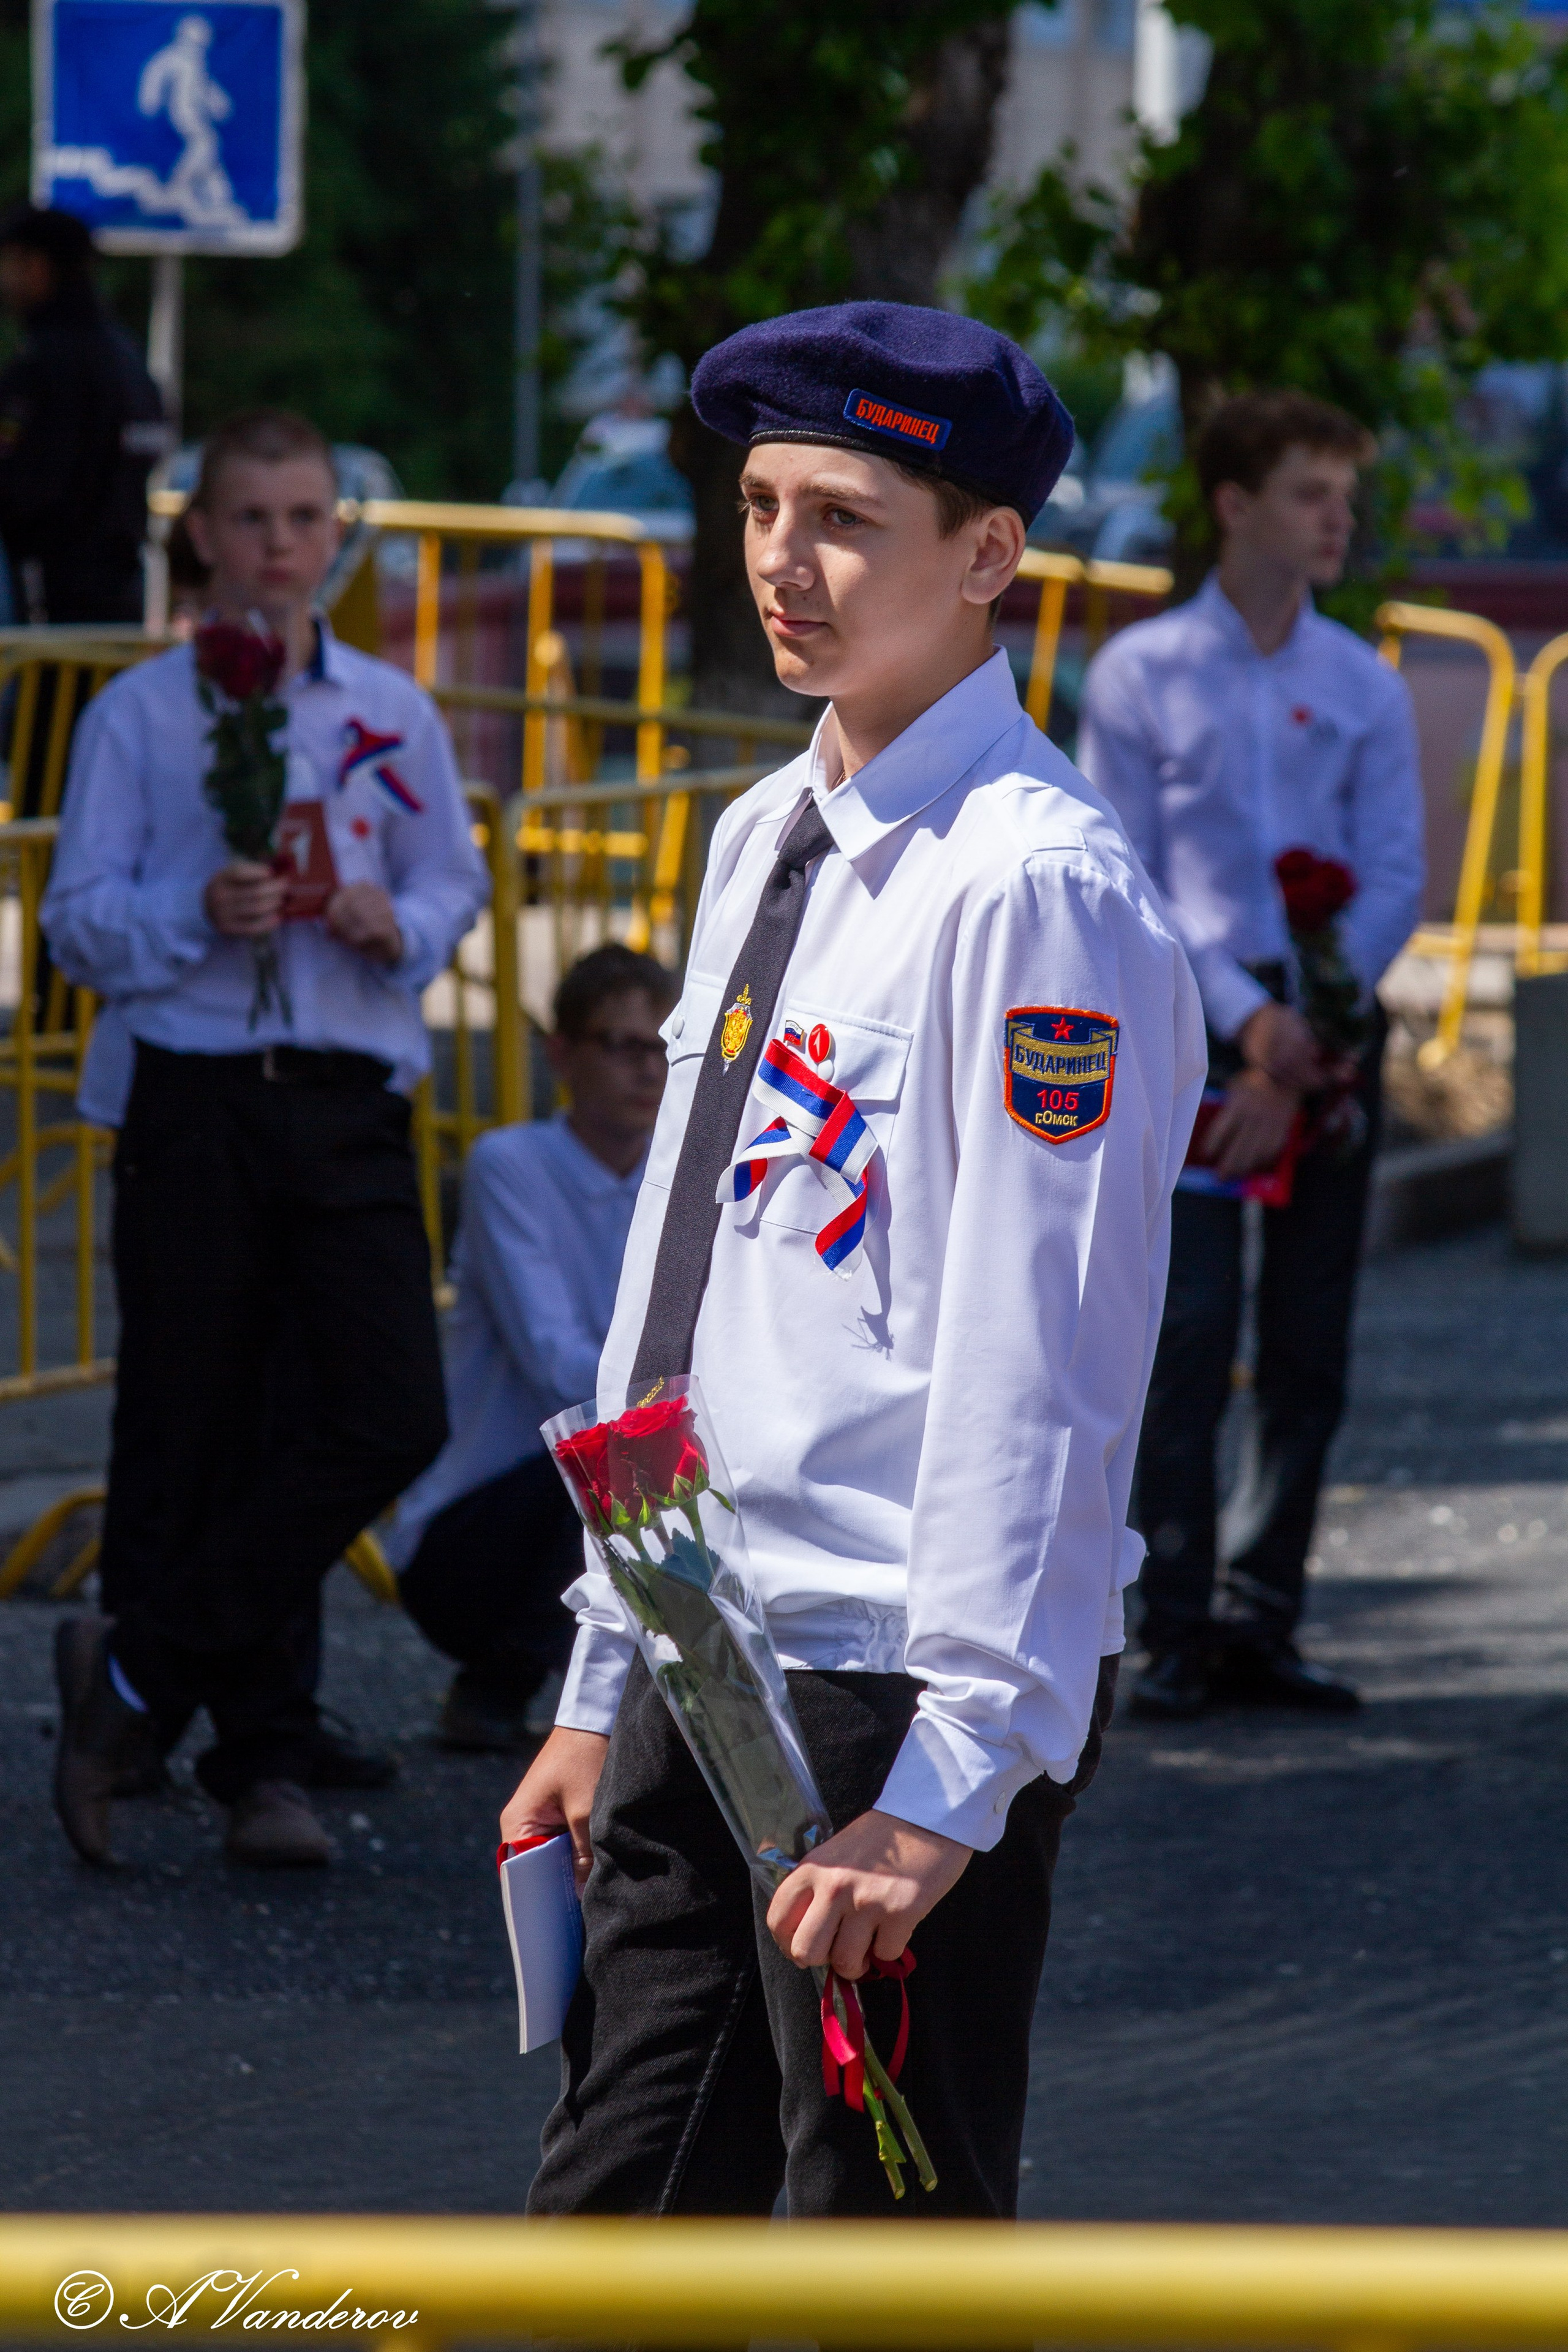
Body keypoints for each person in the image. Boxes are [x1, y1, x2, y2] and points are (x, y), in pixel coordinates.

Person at [502, 301, 1205, 2220]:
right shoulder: (767, 829)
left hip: (890, 1680)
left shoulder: (1033, 890)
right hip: (701, 1629)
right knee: (620, 2223)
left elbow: (1039, 1362)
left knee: (884, 2251)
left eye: (844, 516)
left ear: (986, 557)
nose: (780, 565)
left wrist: (957, 1779)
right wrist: (597, 1657)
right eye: (755, 504)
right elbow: (687, 1271)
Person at [42, 407, 489, 1868]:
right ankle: (258, 1752)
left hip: (347, 1086)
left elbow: (451, 877)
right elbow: (76, 917)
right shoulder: (144, 713)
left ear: (334, 538)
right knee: (191, 1412)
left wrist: (395, 923)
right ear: (202, 534)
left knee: (374, 1406)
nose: (282, 547)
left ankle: (136, 1676)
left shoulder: (388, 708)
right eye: (253, 520)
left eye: (306, 520)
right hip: (197, 1084)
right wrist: (194, 915)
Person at [1077, 388, 1425, 1722]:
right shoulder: (1140, 674)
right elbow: (1128, 875)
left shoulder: (1361, 684)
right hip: (1193, 1022)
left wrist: (1306, 1041)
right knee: (1190, 1322)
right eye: (1307, 495)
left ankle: (1260, 1616)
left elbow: (1393, 870)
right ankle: (1169, 1620)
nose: (1336, 520)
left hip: (1322, 1028)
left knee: (1307, 1336)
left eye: (1342, 496)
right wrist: (1242, 1026)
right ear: (1233, 506)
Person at [389, 943, 673, 1752]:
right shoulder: (510, 1164)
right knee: (606, 1447)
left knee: (650, 1451)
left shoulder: (683, 1171)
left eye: (662, 1048)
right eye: (622, 1045)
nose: (647, 1070)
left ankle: (631, 1701)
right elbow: (557, 1368)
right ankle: (534, 1684)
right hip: (474, 1532)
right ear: (562, 1054)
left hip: (616, 1478)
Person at [0, 205, 168, 627]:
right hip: (120, 588)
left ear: (36, 267)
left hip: (48, 595)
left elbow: (26, 486)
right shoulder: (124, 355)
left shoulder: (49, 362)